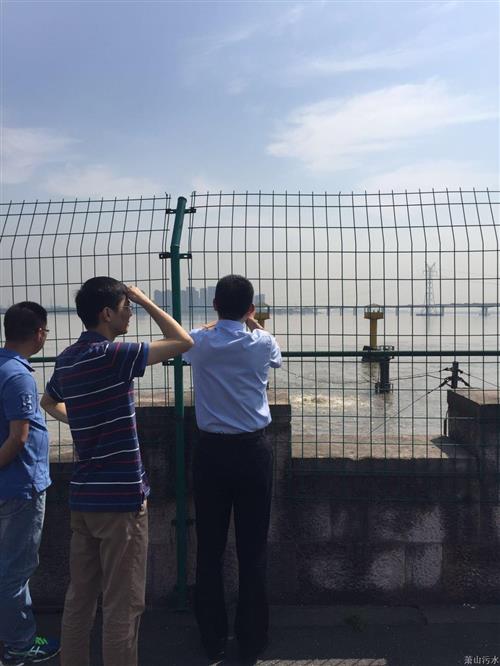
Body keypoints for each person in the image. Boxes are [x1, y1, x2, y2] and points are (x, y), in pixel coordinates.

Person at [40, 277, 193, 666]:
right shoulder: (112, 355)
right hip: (121, 500)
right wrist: (146, 299)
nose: (130, 315)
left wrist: (80, 420)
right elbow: (182, 341)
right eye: (127, 309)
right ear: (107, 313)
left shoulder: (68, 358)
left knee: (80, 598)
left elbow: (48, 401)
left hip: (84, 497)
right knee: (123, 605)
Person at [183, 274, 282, 662]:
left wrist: (215, 324)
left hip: (211, 452)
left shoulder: (199, 342)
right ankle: (252, 639)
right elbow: (274, 357)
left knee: (209, 549)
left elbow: (185, 341)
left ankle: (212, 639)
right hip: (253, 451)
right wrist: (250, 323)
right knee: (252, 549)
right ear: (251, 309)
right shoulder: (263, 342)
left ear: (214, 305)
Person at [0, 302, 60, 665]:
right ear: (39, 333)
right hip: (20, 486)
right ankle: (20, 644)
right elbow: (18, 438)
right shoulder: (18, 375)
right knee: (15, 570)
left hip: (11, 486)